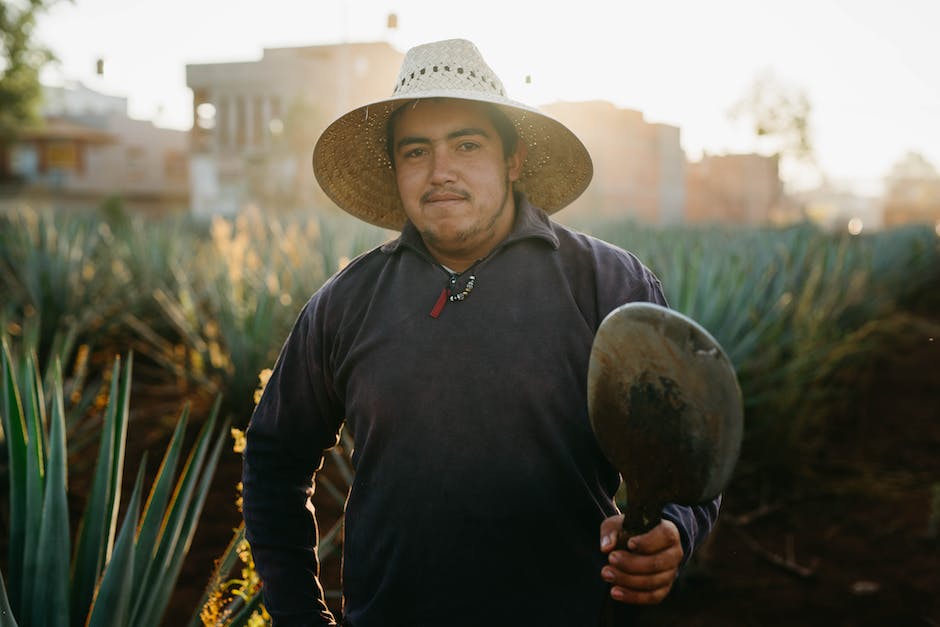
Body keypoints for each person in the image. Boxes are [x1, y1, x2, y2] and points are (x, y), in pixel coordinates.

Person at [242, 38, 720, 627]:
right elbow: (273, 459)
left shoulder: (605, 283)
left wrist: (677, 527)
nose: (441, 171)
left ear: (512, 159)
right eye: (416, 152)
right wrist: (298, 613)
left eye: (466, 144)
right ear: (396, 171)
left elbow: (686, 441)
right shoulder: (347, 303)